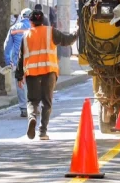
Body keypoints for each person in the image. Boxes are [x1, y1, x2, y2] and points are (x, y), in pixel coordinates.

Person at [14, 10, 78, 141]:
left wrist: (19, 76)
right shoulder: (51, 31)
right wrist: (78, 30)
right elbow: (67, 40)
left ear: (31, 22)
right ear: (43, 21)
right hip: (49, 72)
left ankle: (32, 118)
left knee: (32, 101)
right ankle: (42, 132)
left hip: (32, 74)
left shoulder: (26, 36)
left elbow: (21, 58)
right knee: (46, 102)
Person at [4, 8, 32, 117]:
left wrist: (8, 62)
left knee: (20, 84)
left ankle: (23, 108)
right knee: (33, 84)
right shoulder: (34, 28)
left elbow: (7, 47)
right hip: (32, 61)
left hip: (17, 61)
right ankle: (33, 106)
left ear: (21, 16)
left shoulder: (14, 28)